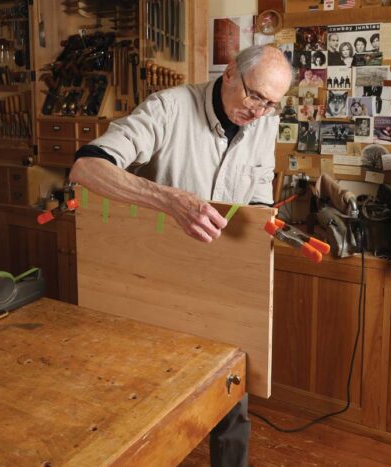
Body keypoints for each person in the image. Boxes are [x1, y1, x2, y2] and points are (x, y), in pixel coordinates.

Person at [69, 45, 292, 466]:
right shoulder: (169, 108)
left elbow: (258, 198)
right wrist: (169, 199)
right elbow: (85, 168)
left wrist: (265, 227)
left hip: (219, 285)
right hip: (153, 286)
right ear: (229, 74)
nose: (260, 111)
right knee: (144, 409)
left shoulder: (265, 123)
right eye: (255, 96)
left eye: (272, 103)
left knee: (231, 396)